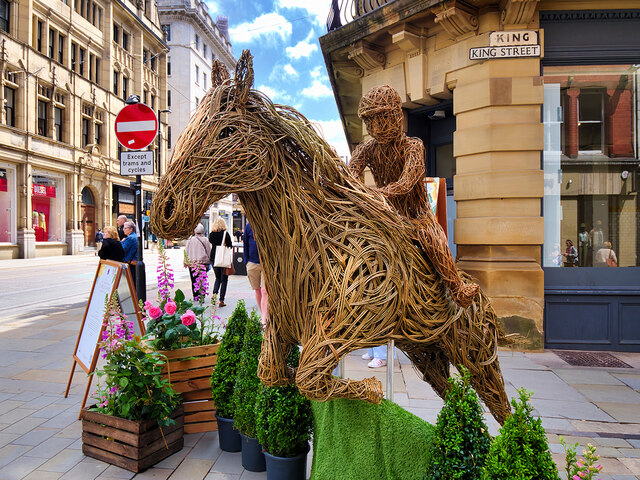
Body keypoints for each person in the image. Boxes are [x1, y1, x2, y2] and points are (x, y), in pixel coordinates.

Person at [349, 85, 478, 308]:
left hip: (415, 215)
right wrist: (356, 190)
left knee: (432, 238)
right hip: (385, 214)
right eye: (369, 122)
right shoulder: (366, 149)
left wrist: (373, 194)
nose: (374, 128)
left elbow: (406, 184)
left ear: (396, 116)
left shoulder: (413, 147)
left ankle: (457, 288)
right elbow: (352, 174)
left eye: (380, 119)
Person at [243, 222, 267, 325]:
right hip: (252, 263)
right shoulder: (249, 226)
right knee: (257, 290)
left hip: (266, 264)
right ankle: (263, 314)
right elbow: (245, 244)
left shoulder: (267, 223)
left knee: (264, 290)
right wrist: (246, 261)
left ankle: (264, 319)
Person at [209, 217, 233, 308]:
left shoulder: (211, 234)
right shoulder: (225, 234)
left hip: (214, 258)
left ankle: (214, 296)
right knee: (224, 280)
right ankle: (221, 300)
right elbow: (230, 245)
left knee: (217, 278)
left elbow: (211, 242)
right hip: (223, 259)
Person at [185, 223, 212, 300]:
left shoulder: (190, 239)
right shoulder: (205, 239)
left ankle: (195, 295)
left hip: (192, 263)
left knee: (193, 279)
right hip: (203, 263)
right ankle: (202, 294)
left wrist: (185, 262)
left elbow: (186, 251)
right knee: (202, 279)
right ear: (202, 231)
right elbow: (208, 251)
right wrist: (210, 260)